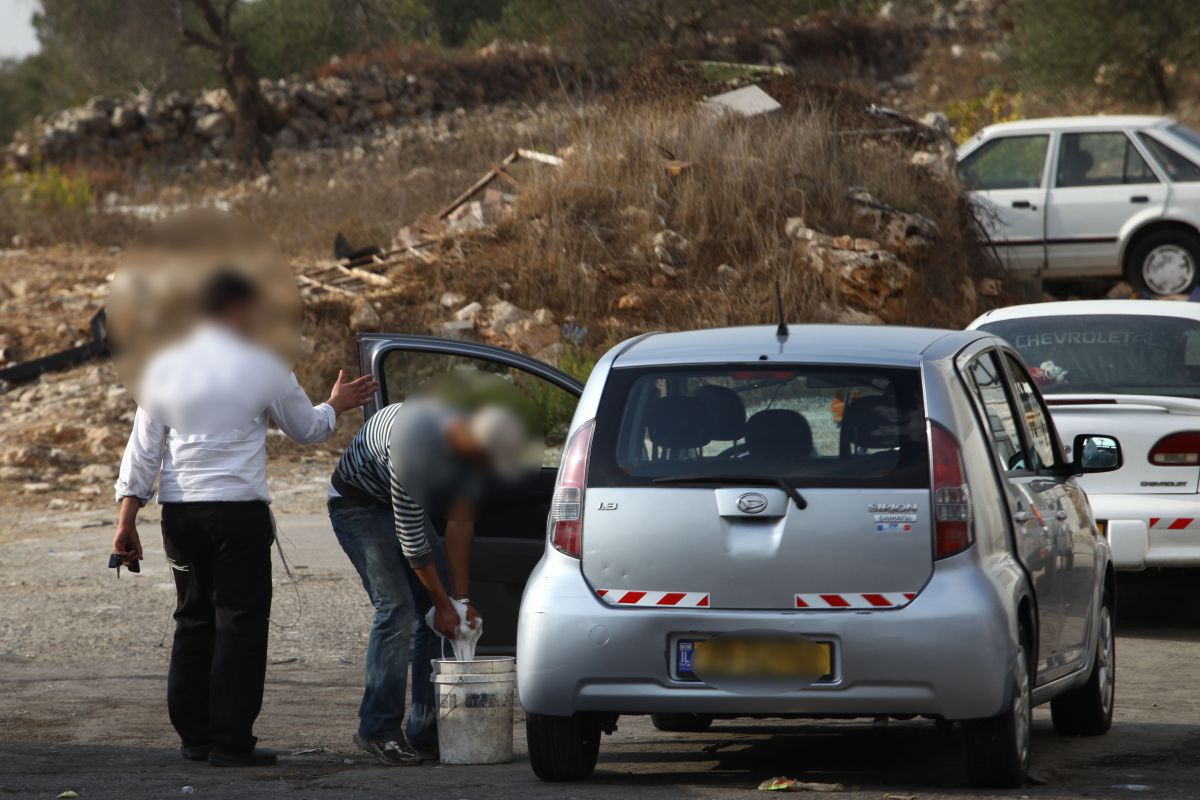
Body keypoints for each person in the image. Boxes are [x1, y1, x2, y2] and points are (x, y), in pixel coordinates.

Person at [111, 270, 378, 767]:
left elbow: (142, 453)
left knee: (193, 621)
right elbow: (307, 429)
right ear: (234, 310)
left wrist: (126, 520)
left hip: (182, 517)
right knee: (240, 625)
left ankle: (195, 738)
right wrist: (335, 405)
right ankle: (231, 742)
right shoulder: (263, 365)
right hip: (238, 516)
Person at [329, 395, 529, 766]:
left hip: (400, 504)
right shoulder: (413, 449)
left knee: (439, 614)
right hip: (357, 504)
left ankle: (426, 730)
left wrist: (460, 601)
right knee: (398, 608)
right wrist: (441, 604)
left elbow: (461, 522)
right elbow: (412, 542)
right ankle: (378, 729)